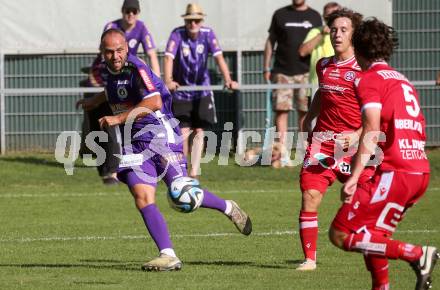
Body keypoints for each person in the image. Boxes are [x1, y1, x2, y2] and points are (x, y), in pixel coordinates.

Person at [76, 29, 252, 272]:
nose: (115, 55)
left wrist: (118, 119)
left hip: (160, 135)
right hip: (134, 142)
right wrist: (93, 102)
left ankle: (228, 207)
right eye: (109, 51)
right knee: (142, 197)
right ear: (102, 53)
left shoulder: (137, 68)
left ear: (127, 48)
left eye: (119, 50)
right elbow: (114, 91)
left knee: (180, 190)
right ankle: (168, 254)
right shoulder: (109, 71)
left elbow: (154, 102)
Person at [330, 18, 438, 290]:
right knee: (374, 235)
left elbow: (371, 129)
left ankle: (417, 254)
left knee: (340, 233)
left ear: (358, 47)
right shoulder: (403, 81)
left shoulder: (368, 80)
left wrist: (354, 176)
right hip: (419, 171)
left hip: (397, 172)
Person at [296, 8, 366, 271]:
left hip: (355, 147)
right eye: (334, 29)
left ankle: (372, 245)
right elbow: (321, 95)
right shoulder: (323, 65)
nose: (337, 34)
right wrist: (307, 120)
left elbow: (375, 113)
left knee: (360, 199)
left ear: (354, 35)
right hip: (323, 142)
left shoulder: (363, 69)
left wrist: (357, 135)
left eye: (344, 30)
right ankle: (310, 259)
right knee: (310, 196)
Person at [83, 0, 161, 184]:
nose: (131, 14)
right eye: (128, 10)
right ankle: (109, 166)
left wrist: (156, 82)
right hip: (105, 80)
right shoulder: (111, 27)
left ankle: (117, 168)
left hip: (127, 83)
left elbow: (152, 54)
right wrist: (96, 97)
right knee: (101, 123)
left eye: (134, 11)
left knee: (121, 122)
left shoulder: (137, 59)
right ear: (123, 11)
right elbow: (102, 55)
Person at [163, 3, 238, 178]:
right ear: (185, 21)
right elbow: (168, 58)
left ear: (201, 21)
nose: (193, 24)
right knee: (182, 132)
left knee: (199, 131)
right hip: (182, 91)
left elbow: (219, 57)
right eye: (190, 21)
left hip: (201, 91)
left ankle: (194, 172)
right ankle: (182, 170)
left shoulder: (208, 34)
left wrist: (228, 79)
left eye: (196, 20)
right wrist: (168, 80)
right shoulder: (177, 34)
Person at [263, 0, 321, 152]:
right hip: (282, 72)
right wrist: (266, 67)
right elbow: (270, 42)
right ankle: (282, 152)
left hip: (306, 73)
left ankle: (305, 151)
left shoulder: (315, 16)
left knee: (305, 112)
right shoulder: (280, 14)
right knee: (282, 111)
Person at [298, 2, 341, 92]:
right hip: (316, 86)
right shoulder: (315, 31)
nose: (330, 19)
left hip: (339, 85)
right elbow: (302, 52)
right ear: (324, 17)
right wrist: (321, 34)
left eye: (334, 16)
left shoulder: (346, 33)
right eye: (328, 16)